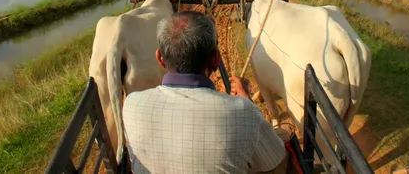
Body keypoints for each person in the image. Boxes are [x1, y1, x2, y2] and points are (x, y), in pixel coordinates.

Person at [122, 10, 288, 173]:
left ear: (160, 58)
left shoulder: (132, 104)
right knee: (283, 137)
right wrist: (247, 102)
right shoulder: (245, 113)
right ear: (216, 60)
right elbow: (275, 160)